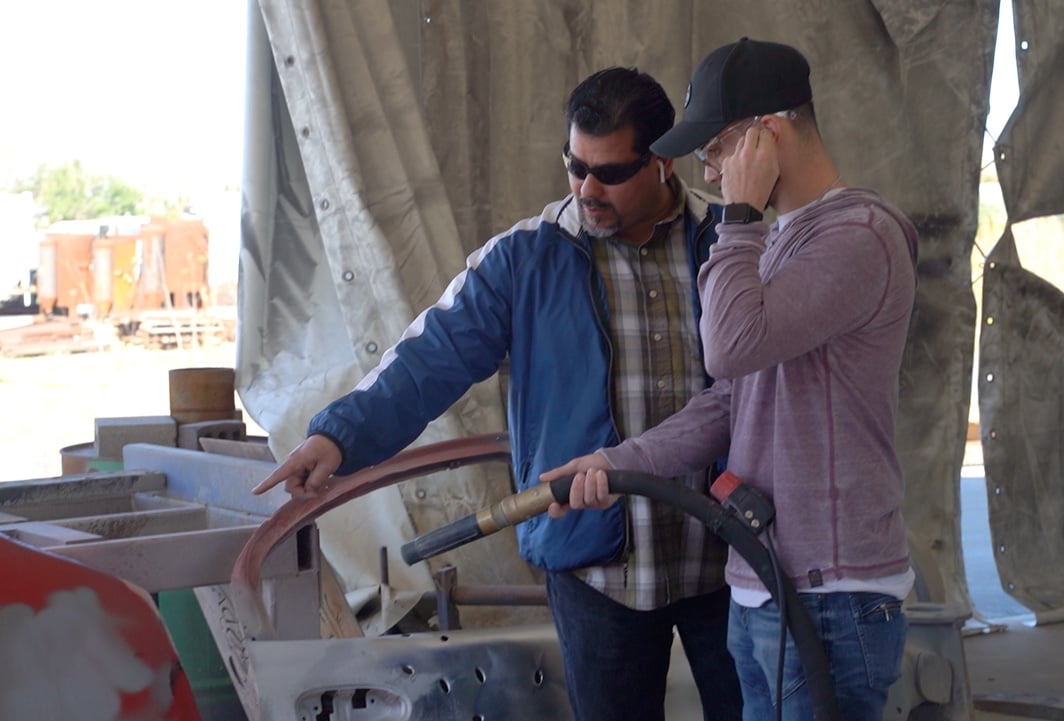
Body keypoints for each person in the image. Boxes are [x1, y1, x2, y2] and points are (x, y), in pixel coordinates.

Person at [253, 67, 743, 721]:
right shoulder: (524, 258)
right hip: (597, 567)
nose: (586, 189)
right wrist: (338, 435)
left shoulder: (730, 244)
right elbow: (428, 358)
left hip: (729, 557)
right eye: (575, 166)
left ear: (663, 162)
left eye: (611, 173)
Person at [543, 38, 919, 721]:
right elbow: (728, 401)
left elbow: (729, 347)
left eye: (717, 150)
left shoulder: (861, 234)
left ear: (767, 133)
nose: (711, 175)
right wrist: (609, 463)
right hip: (765, 584)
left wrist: (738, 219)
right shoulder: (777, 243)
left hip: (830, 595)